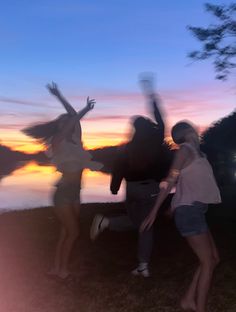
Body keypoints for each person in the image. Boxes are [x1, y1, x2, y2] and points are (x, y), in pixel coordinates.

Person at [90, 77, 169, 278]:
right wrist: (151, 95)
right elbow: (162, 121)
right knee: (146, 225)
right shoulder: (154, 141)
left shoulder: (127, 147)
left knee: (138, 222)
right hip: (149, 189)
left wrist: (115, 187)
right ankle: (143, 265)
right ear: (147, 128)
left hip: (132, 189)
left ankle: (107, 223)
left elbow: (118, 167)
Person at [23, 84, 102, 280]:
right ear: (60, 126)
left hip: (75, 191)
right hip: (64, 192)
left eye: (70, 123)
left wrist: (60, 96)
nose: (70, 124)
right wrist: (83, 111)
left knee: (65, 232)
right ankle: (62, 270)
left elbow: (73, 116)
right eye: (65, 123)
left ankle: (57, 268)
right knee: (73, 232)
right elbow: (73, 118)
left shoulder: (76, 140)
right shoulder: (57, 141)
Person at [141, 121, 221, 311]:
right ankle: (199, 308)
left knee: (213, 259)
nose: (196, 129)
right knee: (208, 262)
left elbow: (184, 184)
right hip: (189, 212)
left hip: (195, 210)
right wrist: (154, 211)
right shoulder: (184, 151)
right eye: (192, 127)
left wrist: (172, 205)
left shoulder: (197, 153)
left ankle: (188, 300)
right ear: (187, 132)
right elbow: (170, 180)